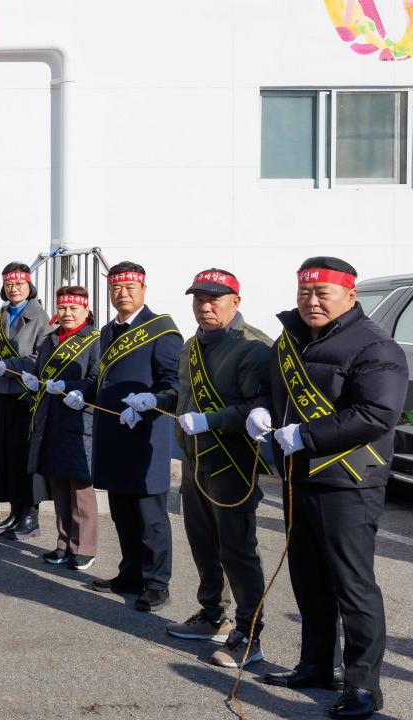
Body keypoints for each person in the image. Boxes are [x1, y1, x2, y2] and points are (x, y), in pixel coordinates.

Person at [249, 257, 407, 719]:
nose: (312, 301)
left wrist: (306, 435)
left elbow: (378, 414)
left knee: (352, 585)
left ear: (350, 296)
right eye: (305, 292)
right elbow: (272, 390)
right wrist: (261, 408)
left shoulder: (376, 346)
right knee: (309, 578)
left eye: (323, 294)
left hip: (348, 480)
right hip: (299, 477)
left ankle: (363, 686)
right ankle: (316, 665)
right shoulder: (291, 339)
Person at [161, 269, 271, 669]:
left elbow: (260, 407)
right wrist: (153, 398)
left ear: (235, 302)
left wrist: (212, 419)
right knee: (203, 542)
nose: (205, 307)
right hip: (194, 459)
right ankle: (212, 614)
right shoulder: (192, 345)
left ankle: (249, 633)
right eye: (198, 299)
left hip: (232, 463)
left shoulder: (253, 348)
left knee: (237, 550)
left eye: (215, 299)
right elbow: (183, 394)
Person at [64, 261, 182, 612]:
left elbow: (173, 386)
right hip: (114, 435)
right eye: (116, 288)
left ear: (144, 289)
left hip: (145, 437)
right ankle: (130, 573)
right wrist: (79, 392)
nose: (122, 293)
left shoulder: (162, 331)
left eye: (129, 287)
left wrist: (152, 402)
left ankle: (157, 582)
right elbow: (101, 377)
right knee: (122, 513)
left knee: (151, 517)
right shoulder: (107, 331)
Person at [20, 286, 101, 570]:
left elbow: (97, 379)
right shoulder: (50, 339)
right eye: (63, 308)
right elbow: (40, 374)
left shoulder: (94, 340)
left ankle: (85, 547)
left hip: (79, 420)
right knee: (58, 485)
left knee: (80, 487)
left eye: (73, 308)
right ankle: (63, 543)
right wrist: (32, 382)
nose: (67, 313)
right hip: (50, 419)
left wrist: (74, 388)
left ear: (85, 310)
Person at [0, 263, 51, 530]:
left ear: (29, 286)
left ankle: (30, 512)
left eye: (19, 284)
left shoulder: (41, 317)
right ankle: (15, 510)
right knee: (3, 454)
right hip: (1, 395)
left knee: (23, 455)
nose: (14, 289)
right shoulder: (0, 315)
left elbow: (43, 356)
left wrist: (11, 366)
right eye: (9, 285)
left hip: (25, 397)